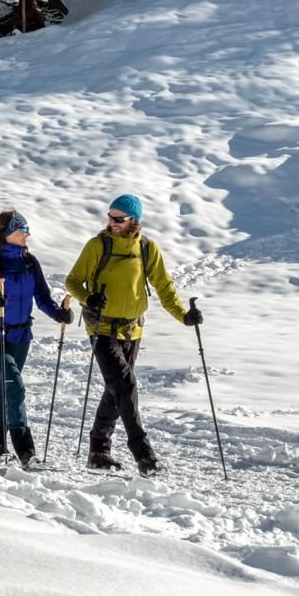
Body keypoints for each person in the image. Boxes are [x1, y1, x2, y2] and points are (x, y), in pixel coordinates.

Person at [63, 194, 202, 475]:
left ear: (133, 220)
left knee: (116, 390)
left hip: (132, 330)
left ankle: (98, 451)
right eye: (110, 217)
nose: (112, 222)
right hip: (101, 329)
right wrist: (88, 298)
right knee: (125, 386)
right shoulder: (97, 245)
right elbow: (73, 281)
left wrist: (184, 316)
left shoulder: (147, 248)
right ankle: (144, 456)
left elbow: (164, 287)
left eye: (119, 218)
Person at [0, 208, 74, 468]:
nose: (27, 234)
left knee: (6, 384)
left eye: (27, 229)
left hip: (22, 334)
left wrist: (59, 314)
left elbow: (43, 297)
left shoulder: (29, 262)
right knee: (14, 383)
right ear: (6, 233)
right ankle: (26, 451)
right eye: (22, 229)